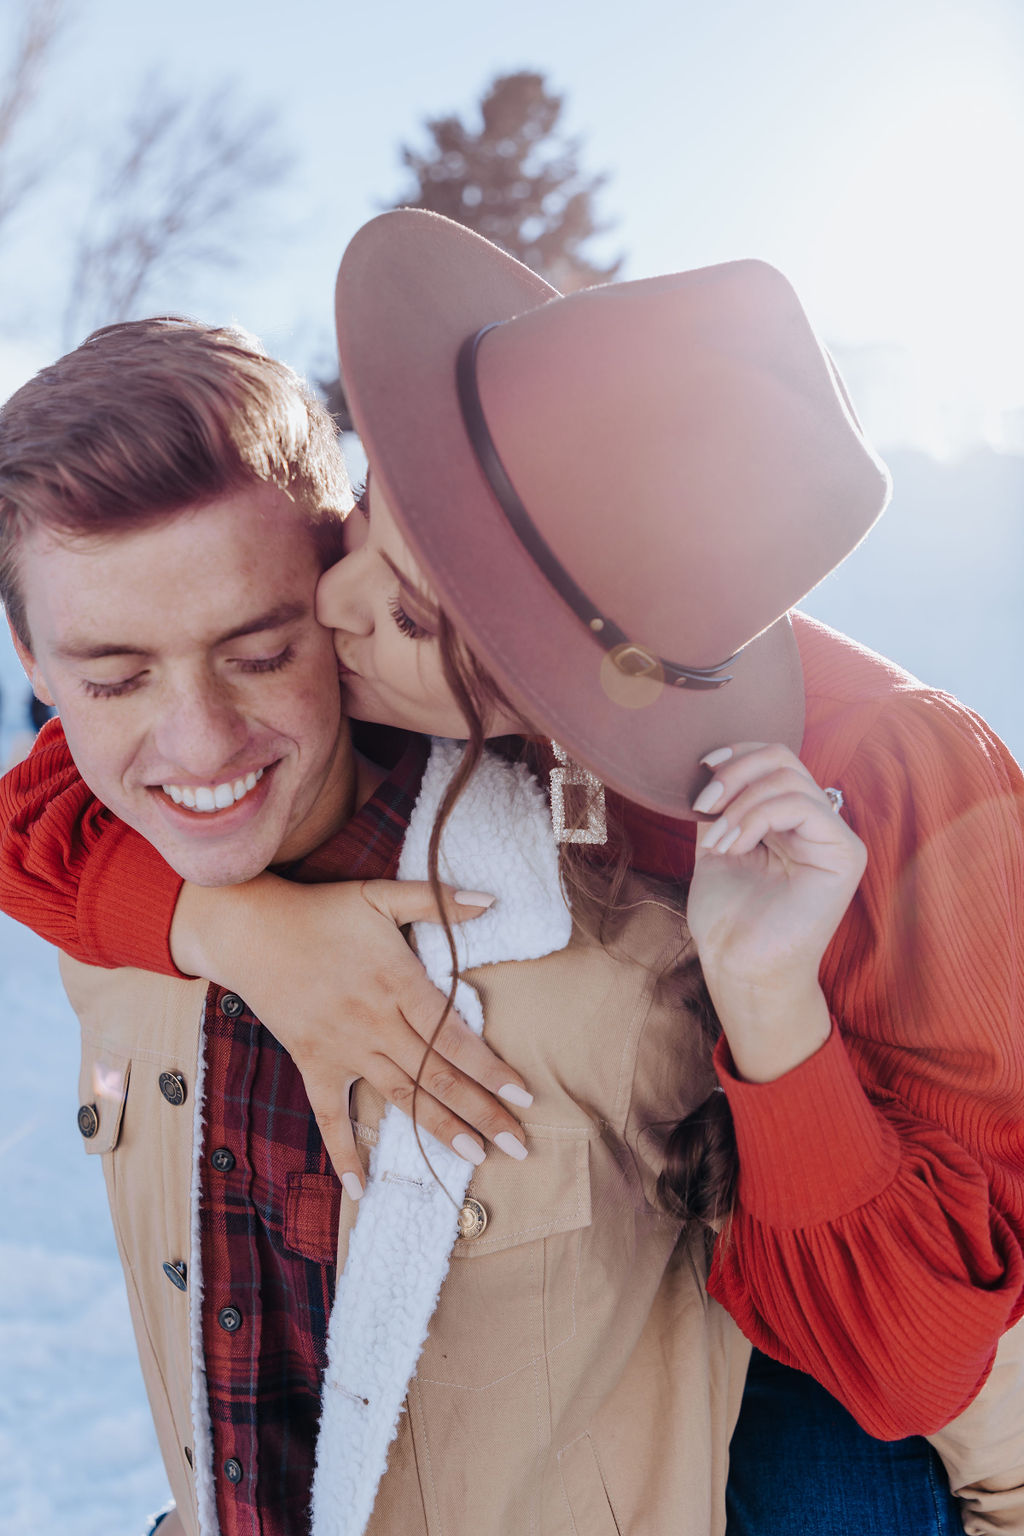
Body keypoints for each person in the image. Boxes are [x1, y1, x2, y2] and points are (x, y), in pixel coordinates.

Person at [1, 216, 1023, 1532]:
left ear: (568, 678)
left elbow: (924, 1345)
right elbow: (45, 812)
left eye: (421, 614)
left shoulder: (896, 783)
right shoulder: (373, 672)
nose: (333, 606)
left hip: (839, 1339)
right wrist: (236, 929)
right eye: (373, 524)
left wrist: (769, 1006)